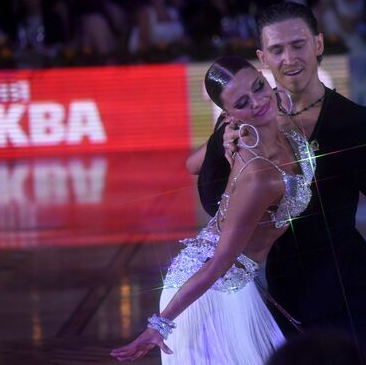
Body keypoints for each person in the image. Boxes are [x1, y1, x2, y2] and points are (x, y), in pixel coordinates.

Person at [192, 2, 366, 365]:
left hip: (351, 292)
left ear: (318, 44)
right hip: (284, 299)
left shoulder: (358, 124)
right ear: (262, 57)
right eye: (277, 50)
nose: (289, 59)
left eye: (298, 44)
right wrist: (222, 156)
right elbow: (212, 202)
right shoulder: (241, 122)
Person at [110, 56, 316, 364]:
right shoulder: (260, 175)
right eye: (242, 102)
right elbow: (220, 262)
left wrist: (223, 142)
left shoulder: (282, 127)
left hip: (231, 279)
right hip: (211, 289)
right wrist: (160, 325)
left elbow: (192, 164)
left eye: (259, 87)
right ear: (229, 113)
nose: (259, 102)